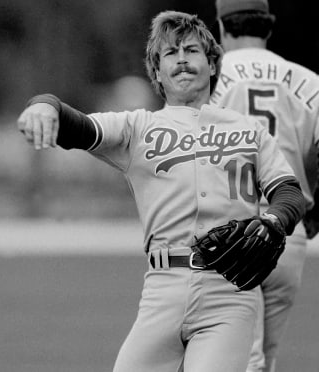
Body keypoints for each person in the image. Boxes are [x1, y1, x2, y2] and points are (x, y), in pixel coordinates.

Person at [17, 10, 305, 372]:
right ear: (156, 72)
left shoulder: (250, 131)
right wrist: (43, 105)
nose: (182, 59)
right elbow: (78, 126)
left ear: (214, 64)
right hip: (162, 289)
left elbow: (288, 192)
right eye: (170, 53)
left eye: (191, 50)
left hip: (229, 293)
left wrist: (274, 222)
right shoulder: (138, 126)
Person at [211, 1, 319, 370]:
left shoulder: (207, 78)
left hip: (230, 231)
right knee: (263, 359)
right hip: (289, 231)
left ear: (222, 28)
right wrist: (314, 209)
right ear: (267, 27)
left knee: (242, 360)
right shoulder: (308, 80)